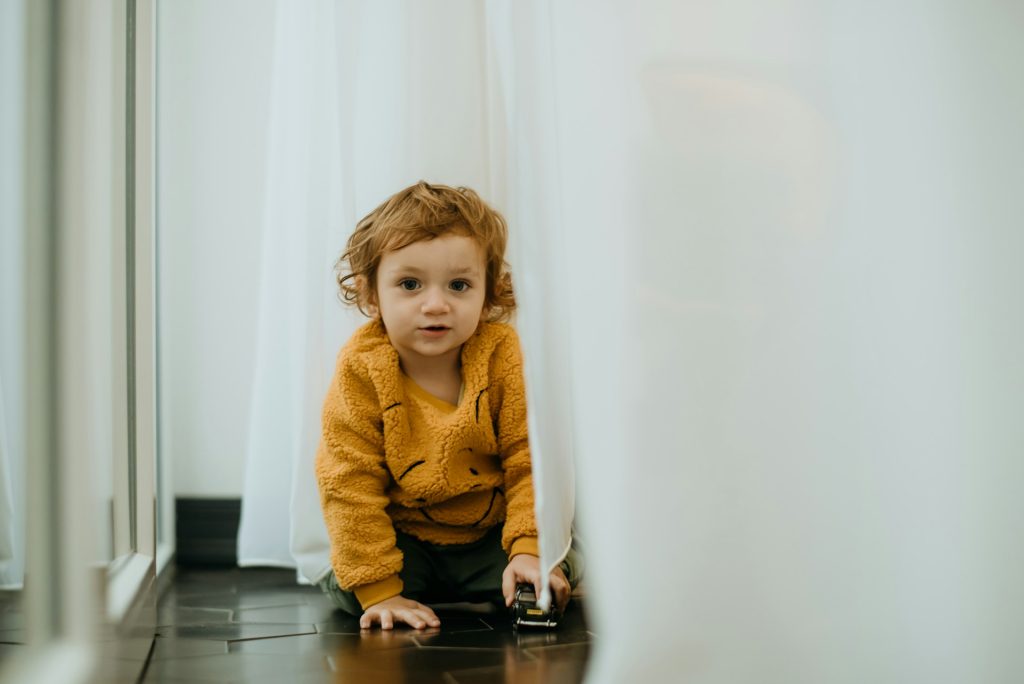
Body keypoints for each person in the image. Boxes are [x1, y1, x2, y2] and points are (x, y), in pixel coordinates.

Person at [315, 181, 581, 630]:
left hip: (489, 538)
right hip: (408, 539)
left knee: (561, 560)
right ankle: (395, 591)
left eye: (459, 285)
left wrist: (529, 550)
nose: (435, 304)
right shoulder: (362, 369)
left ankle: (521, 573)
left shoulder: (502, 355)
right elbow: (348, 479)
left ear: (490, 292)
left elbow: (527, 460)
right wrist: (381, 590)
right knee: (349, 586)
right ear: (370, 294)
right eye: (410, 284)